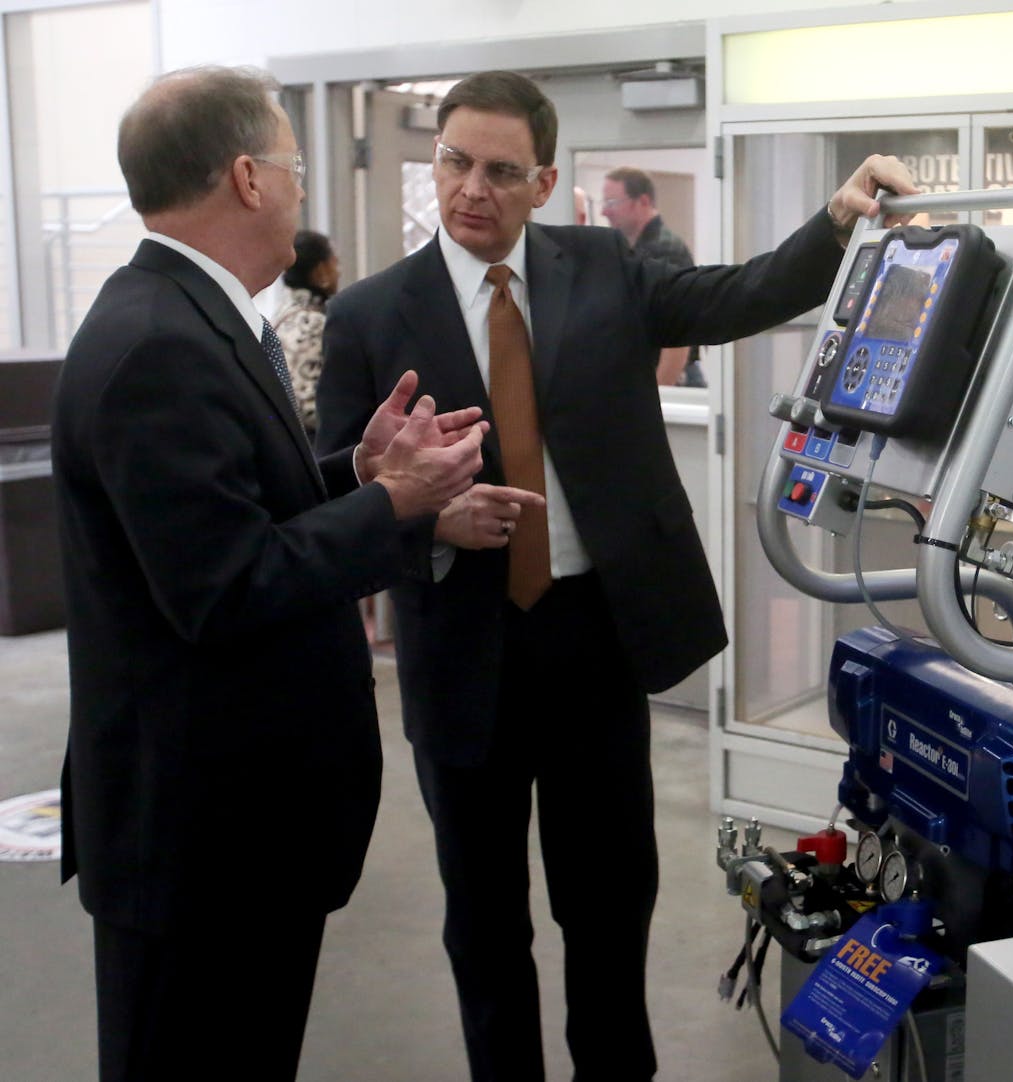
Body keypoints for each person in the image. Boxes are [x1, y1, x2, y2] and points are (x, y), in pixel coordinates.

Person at [316, 68, 915, 1082]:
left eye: (501, 171)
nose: (473, 187)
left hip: (591, 639)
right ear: (436, 159)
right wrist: (427, 521)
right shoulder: (373, 314)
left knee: (606, 904)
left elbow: (738, 293)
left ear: (543, 183)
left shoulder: (602, 268)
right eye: (457, 160)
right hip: (461, 646)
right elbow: (338, 490)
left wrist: (834, 221)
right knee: (485, 918)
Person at [51, 66, 488, 1082]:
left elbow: (237, 505)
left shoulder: (201, 318)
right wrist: (395, 504)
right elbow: (225, 585)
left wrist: (357, 470)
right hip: (200, 838)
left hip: (235, 826)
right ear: (246, 176)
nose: (301, 190)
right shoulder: (157, 343)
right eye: (293, 166)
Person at [600, 165, 702, 387]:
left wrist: (659, 398)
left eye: (612, 203)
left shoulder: (663, 251)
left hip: (670, 381)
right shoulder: (638, 249)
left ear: (643, 202)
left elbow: (676, 340)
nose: (604, 212)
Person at [273, 228, 340, 435]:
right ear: (321, 272)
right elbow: (305, 404)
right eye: (335, 262)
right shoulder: (314, 322)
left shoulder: (282, 313)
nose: (339, 271)